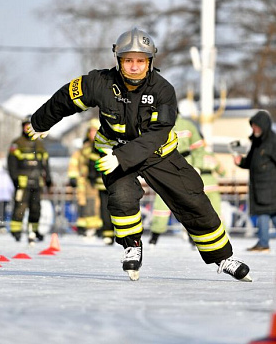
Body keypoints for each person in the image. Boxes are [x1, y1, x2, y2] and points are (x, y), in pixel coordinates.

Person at [27, 27, 251, 282]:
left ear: (150, 62)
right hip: (113, 149)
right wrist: (39, 122)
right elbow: (64, 99)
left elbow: (158, 133)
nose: (134, 67)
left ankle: (222, 257)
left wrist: (123, 158)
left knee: (193, 199)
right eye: (128, 60)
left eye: (140, 61)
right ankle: (131, 246)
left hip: (158, 154)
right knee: (122, 198)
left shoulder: (163, 90)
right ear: (118, 60)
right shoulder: (98, 83)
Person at [149, 112, 205, 245]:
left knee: (188, 201)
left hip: (184, 163)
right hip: (164, 164)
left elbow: (198, 148)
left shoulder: (188, 125)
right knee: (161, 202)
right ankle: (155, 234)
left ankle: (194, 236)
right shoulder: (158, 122)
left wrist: (197, 166)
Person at [233, 110, 276, 252]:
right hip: (259, 188)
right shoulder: (257, 143)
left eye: (257, 126)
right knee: (265, 213)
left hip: (271, 188)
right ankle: (263, 243)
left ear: (264, 125)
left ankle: (263, 243)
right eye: (253, 126)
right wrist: (240, 161)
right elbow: (251, 163)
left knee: (268, 213)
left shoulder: (273, 141)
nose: (254, 129)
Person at [68, 118, 114, 243]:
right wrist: (73, 176)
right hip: (86, 182)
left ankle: (102, 230)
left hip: (102, 181)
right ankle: (87, 229)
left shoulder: (105, 145)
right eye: (91, 131)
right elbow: (75, 162)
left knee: (102, 206)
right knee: (87, 205)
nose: (93, 133)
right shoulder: (85, 147)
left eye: (96, 131)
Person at [7, 115, 52, 244]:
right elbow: (11, 164)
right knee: (20, 207)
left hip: (37, 182)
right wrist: (15, 179)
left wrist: (48, 178)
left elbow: (45, 162)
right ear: (22, 127)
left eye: (30, 126)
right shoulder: (17, 143)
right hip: (22, 182)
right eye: (26, 126)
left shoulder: (39, 144)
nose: (28, 128)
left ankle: (34, 231)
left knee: (36, 208)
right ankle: (16, 231)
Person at [0, 152, 15, 230]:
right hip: (5, 197)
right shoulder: (5, 174)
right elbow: (10, 186)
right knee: (2, 212)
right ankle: (1, 225)